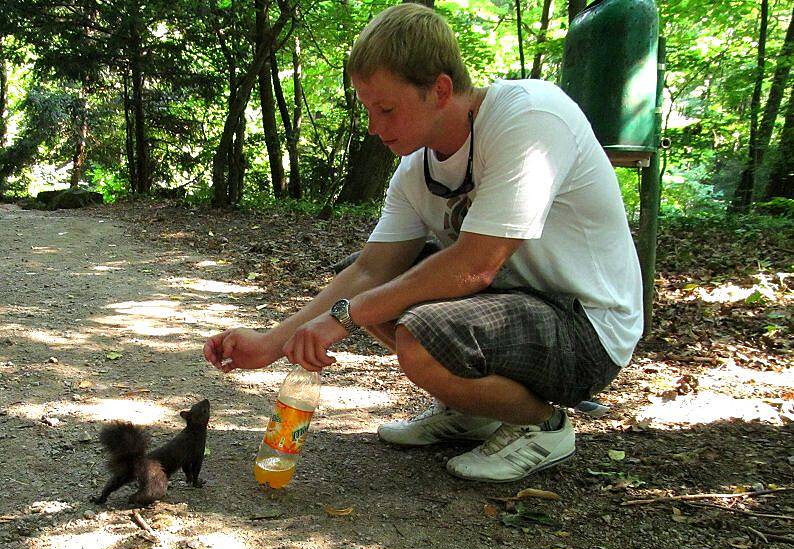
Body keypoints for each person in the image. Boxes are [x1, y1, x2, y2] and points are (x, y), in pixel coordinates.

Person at [204, 3, 642, 483]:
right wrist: (269, 344)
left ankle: (543, 426)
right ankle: (473, 411)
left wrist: (345, 316)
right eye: (369, 108)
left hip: (587, 327)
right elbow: (371, 270)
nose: (374, 126)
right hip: (514, 308)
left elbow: (477, 266)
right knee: (376, 285)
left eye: (386, 108)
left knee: (419, 333)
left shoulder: (530, 117)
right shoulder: (417, 170)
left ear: (440, 89)